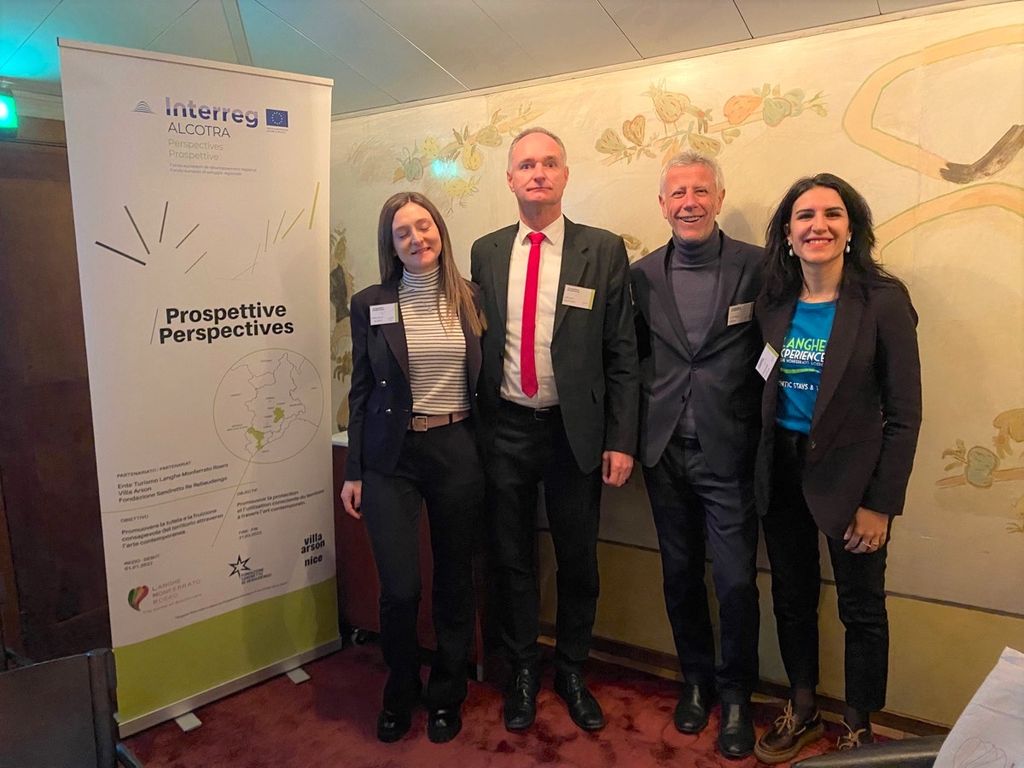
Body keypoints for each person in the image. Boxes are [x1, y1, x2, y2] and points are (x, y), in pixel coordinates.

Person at [470, 127, 639, 733]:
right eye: (525, 165)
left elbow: (622, 351)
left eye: (548, 163)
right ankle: (522, 669)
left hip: (575, 433)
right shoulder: (486, 251)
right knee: (513, 558)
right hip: (506, 430)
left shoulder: (603, 249)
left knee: (577, 559)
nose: (537, 173)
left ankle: (570, 668)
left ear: (566, 175)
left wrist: (620, 439)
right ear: (510, 179)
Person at [752, 173, 921, 762]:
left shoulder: (882, 301)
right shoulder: (774, 301)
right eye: (804, 216)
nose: (817, 225)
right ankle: (802, 706)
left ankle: (858, 727)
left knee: (862, 609)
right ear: (788, 233)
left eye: (832, 214)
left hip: (855, 482)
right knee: (792, 597)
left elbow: (904, 414)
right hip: (783, 471)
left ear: (851, 230)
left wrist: (880, 504)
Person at [340, 191, 485, 745]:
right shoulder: (370, 303)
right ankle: (400, 689)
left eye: (424, 226)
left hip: (456, 447)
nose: (416, 238)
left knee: (454, 579)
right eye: (403, 232)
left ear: (439, 231)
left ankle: (447, 692)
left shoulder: (473, 296)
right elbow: (359, 390)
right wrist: (354, 469)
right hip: (390, 456)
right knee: (400, 588)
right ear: (392, 245)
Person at [631, 151, 763, 759]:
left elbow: (775, 347)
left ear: (719, 198)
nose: (690, 202)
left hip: (728, 453)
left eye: (701, 190)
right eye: (678, 192)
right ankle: (696, 681)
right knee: (679, 575)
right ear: (663, 204)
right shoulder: (640, 275)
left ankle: (736, 696)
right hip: (663, 452)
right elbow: (630, 358)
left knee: (735, 581)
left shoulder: (757, 267)